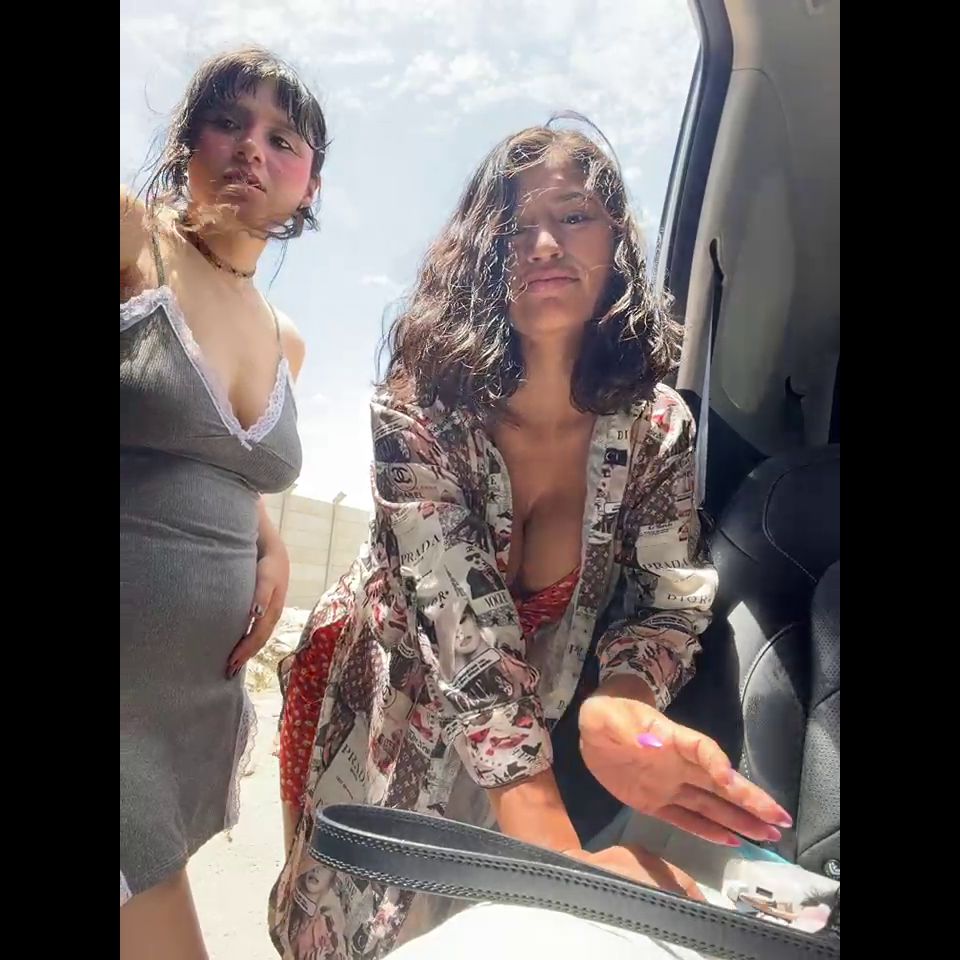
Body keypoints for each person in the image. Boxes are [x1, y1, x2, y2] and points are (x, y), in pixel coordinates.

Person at [269, 121, 792, 960]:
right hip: (384, 693)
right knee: (349, 920)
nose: (544, 243)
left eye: (574, 215)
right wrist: (566, 877)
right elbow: (463, 638)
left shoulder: (658, 427)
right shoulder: (417, 408)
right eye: (514, 227)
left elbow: (666, 595)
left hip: (528, 725)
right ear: (480, 257)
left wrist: (624, 705)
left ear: (616, 240)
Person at [120, 46, 327, 960]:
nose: (253, 148)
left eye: (283, 139)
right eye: (229, 122)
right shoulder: (135, 242)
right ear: (187, 145)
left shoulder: (286, 340)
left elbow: (214, 459)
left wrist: (265, 532)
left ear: (310, 183)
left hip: (180, 713)